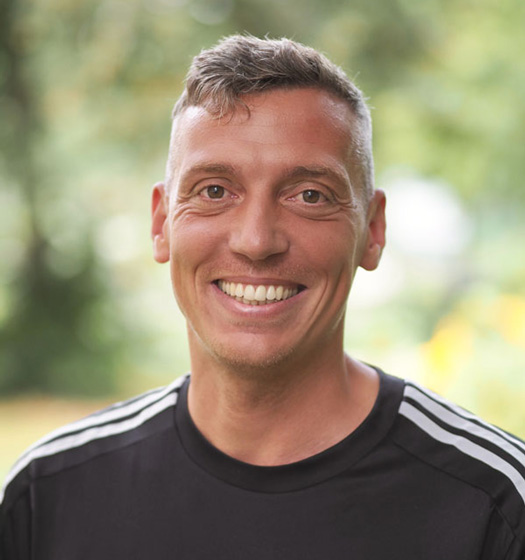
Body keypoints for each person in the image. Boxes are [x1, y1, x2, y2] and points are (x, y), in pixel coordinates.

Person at [1, 35, 524, 559]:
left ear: (372, 229)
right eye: (214, 191)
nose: (256, 241)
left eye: (310, 195)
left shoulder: (499, 507)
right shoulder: (44, 498)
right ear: (161, 224)